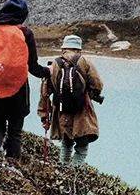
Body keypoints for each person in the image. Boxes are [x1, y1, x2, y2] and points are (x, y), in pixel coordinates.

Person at [0, 0, 49, 159]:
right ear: (23, 14)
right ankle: (13, 163)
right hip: (17, 91)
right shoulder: (25, 33)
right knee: (15, 131)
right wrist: (48, 72)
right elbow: (33, 67)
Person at [38, 34, 104, 165]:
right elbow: (98, 84)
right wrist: (91, 94)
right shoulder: (84, 61)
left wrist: (44, 115)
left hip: (61, 110)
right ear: (79, 49)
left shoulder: (54, 64)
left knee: (66, 143)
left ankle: (63, 169)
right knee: (81, 147)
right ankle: (74, 172)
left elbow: (45, 92)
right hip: (82, 110)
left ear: (64, 48)